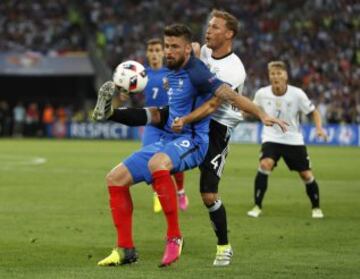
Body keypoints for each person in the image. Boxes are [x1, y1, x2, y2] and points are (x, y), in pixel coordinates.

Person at [94, 24, 287, 268]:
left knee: (160, 165)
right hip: (168, 138)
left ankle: (175, 237)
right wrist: (113, 113)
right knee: (115, 178)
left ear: (187, 49)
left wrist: (261, 113)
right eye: (167, 46)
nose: (168, 52)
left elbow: (230, 95)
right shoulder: (171, 73)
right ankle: (125, 250)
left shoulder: (196, 72)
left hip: (195, 141)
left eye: (174, 47)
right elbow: (158, 114)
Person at [172, 9, 246, 266]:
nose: (209, 30)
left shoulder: (235, 69)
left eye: (215, 27)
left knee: (208, 195)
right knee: (159, 159)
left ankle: (224, 246)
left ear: (229, 34)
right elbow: (192, 53)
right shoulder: (204, 51)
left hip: (217, 127)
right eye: (209, 26)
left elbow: (214, 105)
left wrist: (186, 119)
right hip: (195, 118)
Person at [246, 61, 327, 219]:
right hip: (271, 137)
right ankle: (257, 206)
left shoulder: (297, 94)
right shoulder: (262, 93)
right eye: (272, 74)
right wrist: (239, 114)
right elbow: (252, 109)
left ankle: (316, 207)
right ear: (269, 76)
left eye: (279, 73)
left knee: (306, 175)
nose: (276, 76)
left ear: (286, 76)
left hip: (293, 139)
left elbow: (314, 112)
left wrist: (318, 128)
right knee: (265, 164)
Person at [143, 38, 188, 213]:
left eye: (157, 50)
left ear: (162, 53)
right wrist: (124, 95)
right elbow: (129, 91)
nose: (154, 54)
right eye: (151, 50)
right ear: (147, 54)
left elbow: (184, 92)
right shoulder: (142, 75)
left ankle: (181, 192)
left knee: (173, 159)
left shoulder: (171, 72)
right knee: (149, 159)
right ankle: (157, 196)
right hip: (153, 122)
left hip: (171, 121)